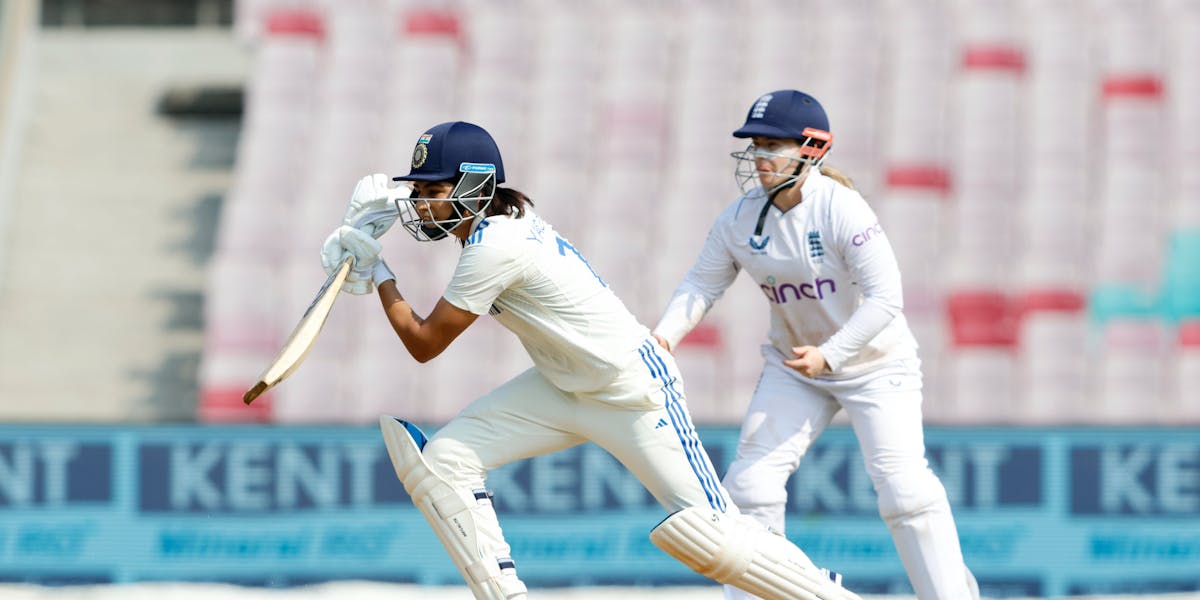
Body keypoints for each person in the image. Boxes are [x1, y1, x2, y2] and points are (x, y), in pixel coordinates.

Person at [319, 121, 862, 600]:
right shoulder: (499, 221)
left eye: (433, 192)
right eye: (418, 192)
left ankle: (827, 595)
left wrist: (379, 271)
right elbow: (434, 216)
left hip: (630, 391)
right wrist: (390, 206)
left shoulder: (494, 246)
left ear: (475, 188)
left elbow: (424, 344)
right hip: (560, 388)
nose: (421, 205)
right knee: (444, 460)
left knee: (713, 535)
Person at [651, 90, 979, 600]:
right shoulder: (738, 219)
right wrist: (663, 337)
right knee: (749, 487)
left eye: (772, 146)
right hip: (795, 366)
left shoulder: (842, 209)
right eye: (755, 145)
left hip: (875, 364)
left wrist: (831, 354)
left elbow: (886, 299)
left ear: (813, 149)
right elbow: (701, 284)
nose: (759, 157)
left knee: (904, 490)